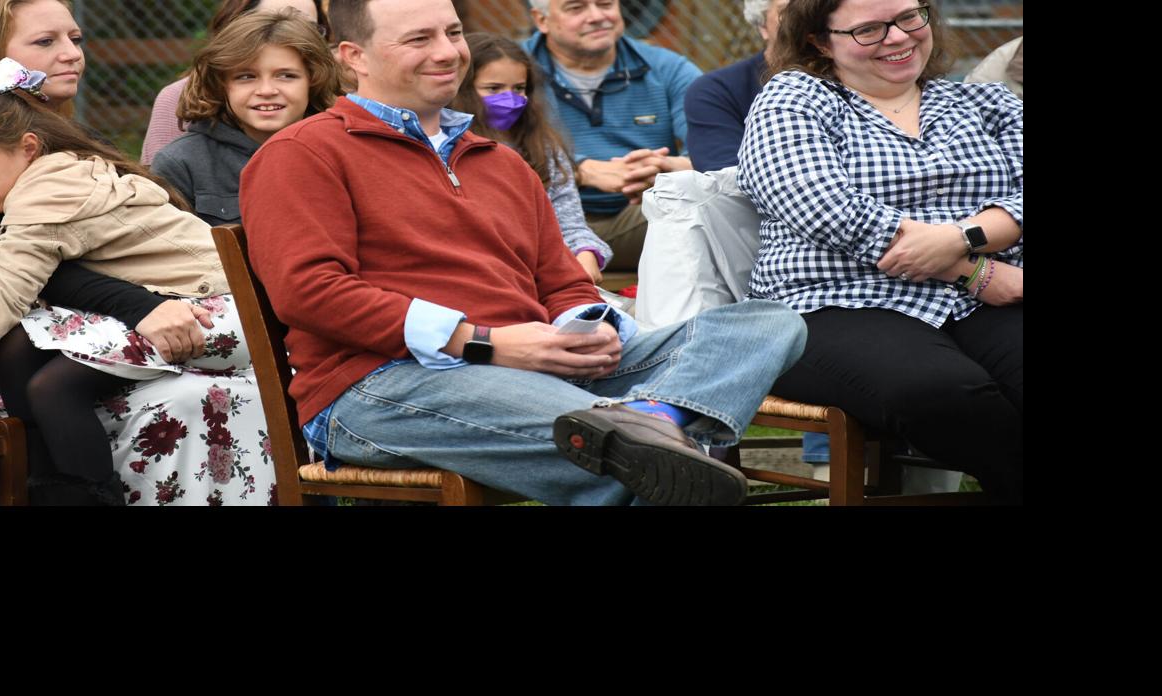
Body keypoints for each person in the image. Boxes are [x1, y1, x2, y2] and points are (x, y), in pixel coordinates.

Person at [241, 0, 807, 506]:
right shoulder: (302, 153)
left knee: (766, 324)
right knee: (629, 463)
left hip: (543, 369)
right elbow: (310, 291)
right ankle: (649, 438)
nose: (447, 52)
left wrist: (585, 327)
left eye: (454, 32)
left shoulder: (500, 161)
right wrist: (485, 343)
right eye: (419, 39)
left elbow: (561, 280)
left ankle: (653, 419)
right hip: (384, 381)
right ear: (351, 56)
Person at [0, 0, 273, 505]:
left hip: (201, 306)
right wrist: (144, 307)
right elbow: (27, 281)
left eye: (75, 38)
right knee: (45, 364)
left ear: (27, 145)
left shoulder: (54, 163)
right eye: (45, 42)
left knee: (115, 387)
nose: (72, 54)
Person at [738, 0, 1025, 502]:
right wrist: (973, 271)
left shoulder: (988, 103)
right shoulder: (793, 99)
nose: (897, 38)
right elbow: (818, 203)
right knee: (941, 394)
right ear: (819, 40)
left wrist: (962, 240)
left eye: (910, 17)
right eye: (868, 29)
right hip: (835, 302)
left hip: (982, 302)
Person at [521, 0, 701, 269]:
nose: (596, 16)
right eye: (576, 8)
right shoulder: (512, 71)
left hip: (639, 215)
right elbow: (490, 151)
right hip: (546, 219)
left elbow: (715, 148)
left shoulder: (668, 68)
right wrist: (579, 171)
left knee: (707, 206)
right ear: (541, 20)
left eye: (605, 4)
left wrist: (669, 169)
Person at [151, 10, 340, 225]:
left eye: (286, 75)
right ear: (222, 85)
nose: (267, 90)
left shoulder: (342, 150)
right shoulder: (181, 163)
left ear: (313, 81)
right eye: (246, 77)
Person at [451, 32, 612, 284]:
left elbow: (569, 223)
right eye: (493, 88)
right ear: (463, 89)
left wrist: (586, 253)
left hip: (543, 273)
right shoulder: (449, 147)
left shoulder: (543, 146)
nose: (510, 98)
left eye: (519, 88)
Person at [140, 0, 330, 165]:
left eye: (309, 27)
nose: (266, 90)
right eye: (246, 77)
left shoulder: (336, 122)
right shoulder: (183, 154)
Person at [683, 0, 788, 173]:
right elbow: (726, 176)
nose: (807, 19)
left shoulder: (845, 77)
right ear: (762, 25)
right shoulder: (717, 91)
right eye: (788, 11)